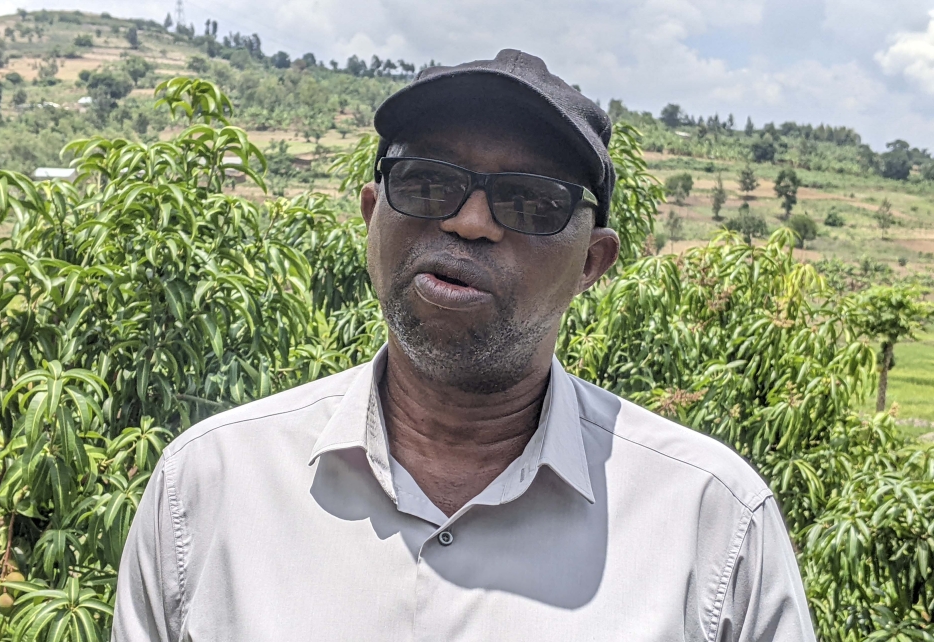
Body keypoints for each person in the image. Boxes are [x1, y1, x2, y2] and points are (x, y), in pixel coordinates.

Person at [113, 49, 816, 641]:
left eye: (530, 201)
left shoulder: (710, 522)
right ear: (371, 218)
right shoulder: (211, 488)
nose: (472, 222)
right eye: (428, 182)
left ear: (592, 265)